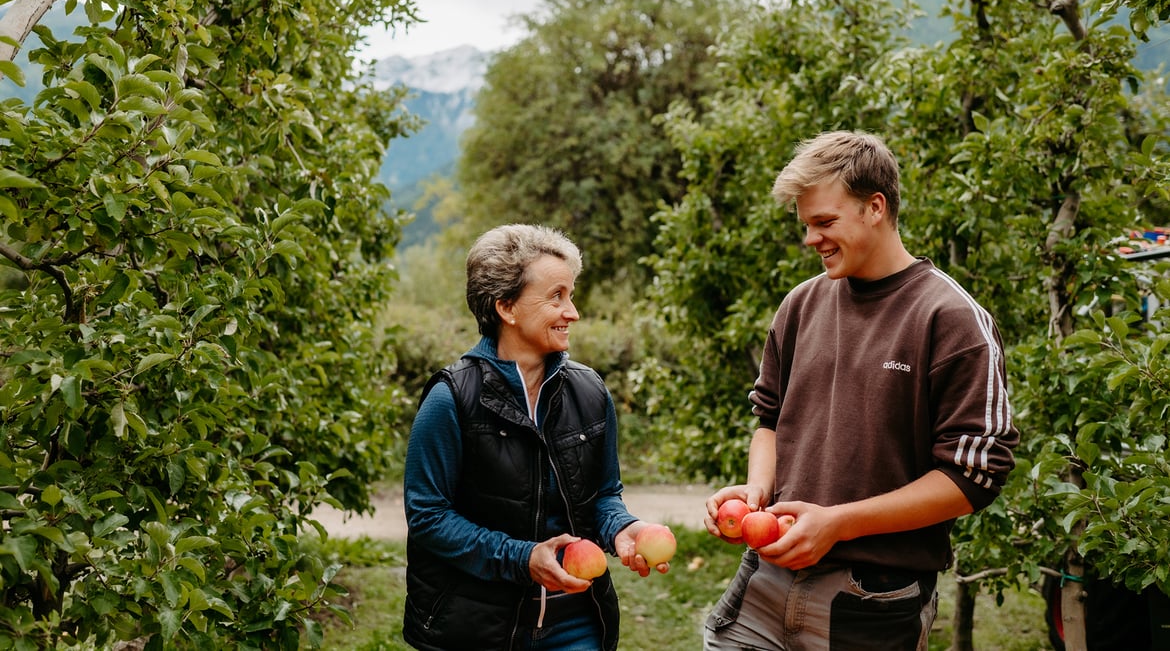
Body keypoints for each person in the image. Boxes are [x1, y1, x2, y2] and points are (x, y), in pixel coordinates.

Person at [703, 130, 1019, 650]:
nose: (811, 239)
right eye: (806, 225)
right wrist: (757, 493)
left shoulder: (952, 319)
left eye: (824, 222)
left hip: (870, 600)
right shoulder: (801, 305)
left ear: (876, 207)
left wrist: (838, 524)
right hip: (763, 579)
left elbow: (973, 478)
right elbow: (770, 421)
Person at [402, 224, 669, 651]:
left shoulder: (590, 391)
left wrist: (622, 529)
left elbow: (603, 494)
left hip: (575, 622)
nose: (573, 312)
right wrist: (523, 558)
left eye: (571, 294)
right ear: (506, 307)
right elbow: (428, 515)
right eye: (556, 296)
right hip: (475, 628)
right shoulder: (450, 399)